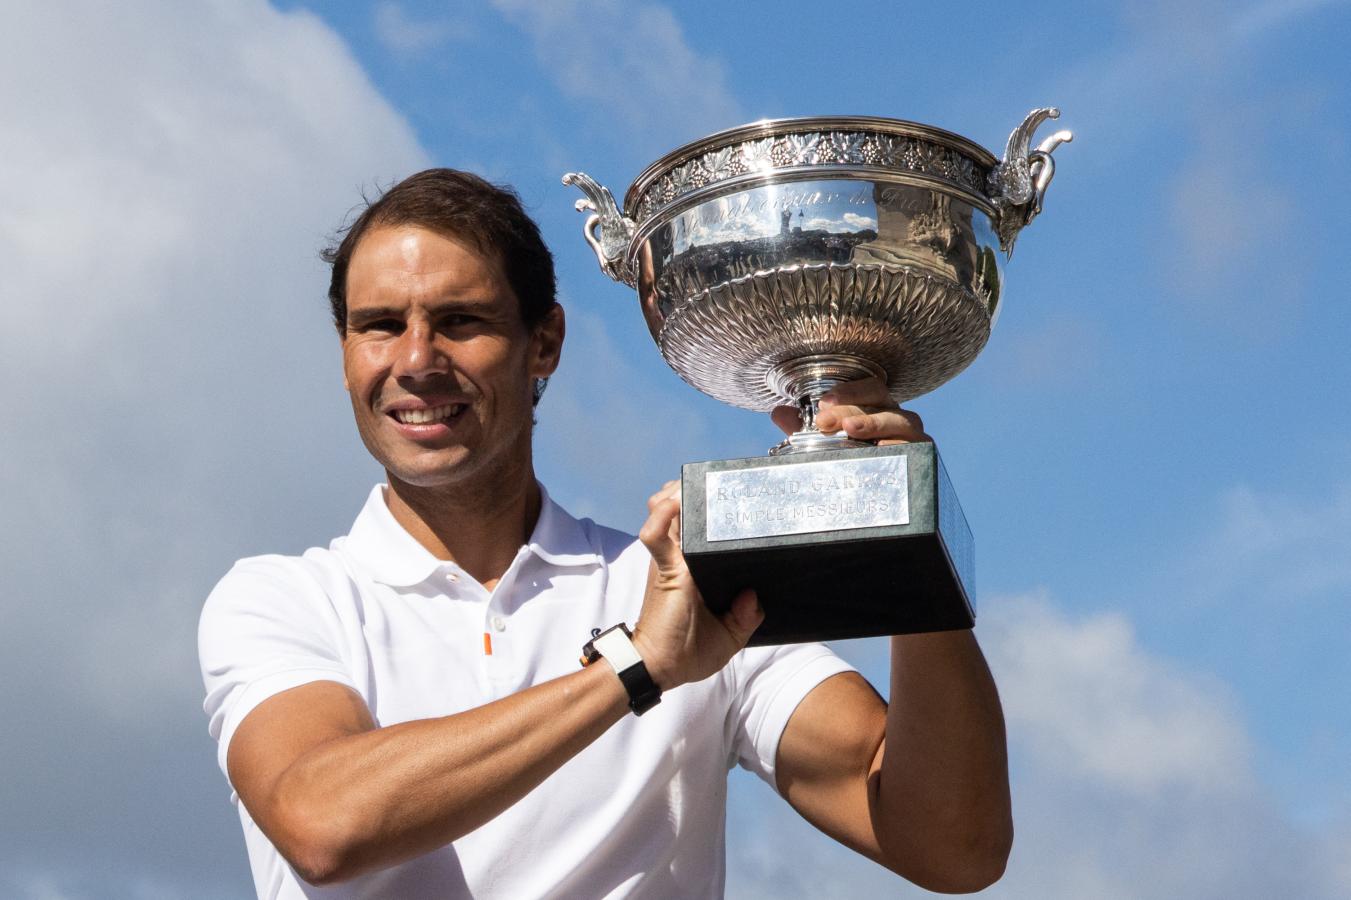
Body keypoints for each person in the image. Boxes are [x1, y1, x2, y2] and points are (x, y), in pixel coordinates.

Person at [198, 169, 1012, 899]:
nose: (415, 360)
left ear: (543, 342)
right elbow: (323, 825)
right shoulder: (283, 599)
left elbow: (954, 847)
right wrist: (635, 668)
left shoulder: (687, 589)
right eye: (379, 324)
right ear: (344, 351)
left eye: (459, 321)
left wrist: (906, 526)